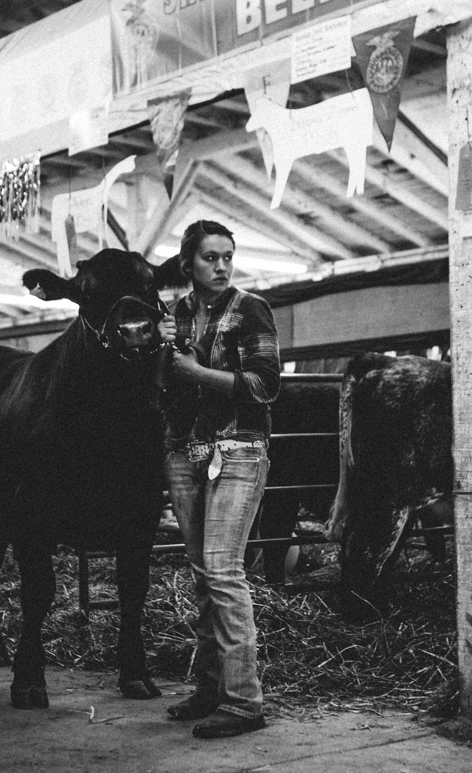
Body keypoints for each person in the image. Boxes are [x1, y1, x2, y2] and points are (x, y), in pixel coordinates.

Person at [157, 220, 280, 739]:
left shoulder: (250, 309)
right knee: (201, 571)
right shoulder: (174, 315)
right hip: (184, 449)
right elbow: (163, 386)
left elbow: (265, 384)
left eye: (228, 256)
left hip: (239, 447)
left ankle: (244, 701)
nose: (222, 265)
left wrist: (194, 372)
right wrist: (157, 350)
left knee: (223, 569)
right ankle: (211, 687)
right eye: (210, 258)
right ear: (189, 264)